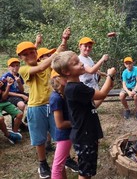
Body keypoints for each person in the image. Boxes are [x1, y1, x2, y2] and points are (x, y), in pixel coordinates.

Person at [51, 51, 116, 179]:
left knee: (87, 169)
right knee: (85, 173)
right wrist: (110, 75)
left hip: (86, 133)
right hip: (85, 135)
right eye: (76, 63)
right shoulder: (75, 88)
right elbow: (101, 94)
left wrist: (109, 81)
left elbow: (94, 103)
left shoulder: (76, 86)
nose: (81, 64)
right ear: (67, 72)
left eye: (79, 61)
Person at [16, 27, 70, 179]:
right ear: (21, 58)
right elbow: (39, 65)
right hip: (36, 107)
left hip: (52, 105)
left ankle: (62, 160)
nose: (29, 55)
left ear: (37, 52)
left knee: (59, 135)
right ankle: (42, 163)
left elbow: (51, 58)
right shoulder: (24, 69)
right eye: (25, 54)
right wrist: (52, 54)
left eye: (32, 52)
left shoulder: (46, 64)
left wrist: (64, 41)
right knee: (39, 138)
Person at [49, 70, 78, 179]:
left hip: (69, 132)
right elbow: (60, 124)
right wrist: (78, 122)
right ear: (58, 79)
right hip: (64, 135)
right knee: (57, 166)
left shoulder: (65, 94)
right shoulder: (56, 98)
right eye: (66, 77)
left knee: (62, 161)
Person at [78, 37, 109, 108]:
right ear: (80, 47)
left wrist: (106, 74)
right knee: (102, 96)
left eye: (90, 47)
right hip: (86, 89)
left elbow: (96, 70)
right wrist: (102, 60)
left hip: (93, 88)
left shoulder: (89, 59)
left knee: (93, 107)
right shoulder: (79, 59)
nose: (88, 48)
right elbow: (91, 71)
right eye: (85, 46)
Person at [0, 77, 23, 144]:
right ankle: (8, 135)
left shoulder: (1, 81)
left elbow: (4, 97)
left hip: (4, 102)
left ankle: (14, 132)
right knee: (1, 119)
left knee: (19, 114)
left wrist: (8, 86)